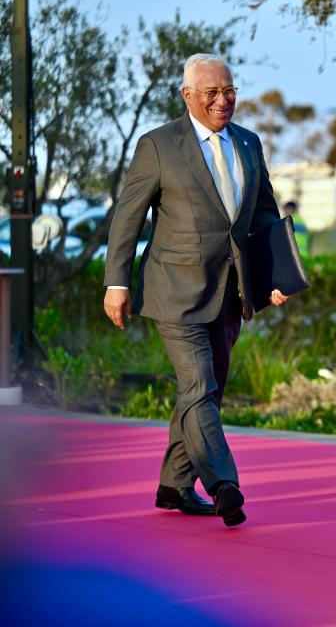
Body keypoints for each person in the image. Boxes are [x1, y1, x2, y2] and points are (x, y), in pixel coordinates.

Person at [103, 54, 290, 528]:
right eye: (211, 92)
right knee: (198, 385)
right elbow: (128, 218)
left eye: (229, 91)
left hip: (229, 291)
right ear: (187, 95)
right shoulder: (159, 145)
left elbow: (264, 214)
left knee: (206, 391)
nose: (222, 101)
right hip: (174, 289)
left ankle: (174, 484)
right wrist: (116, 282)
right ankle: (224, 483)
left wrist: (275, 276)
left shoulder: (248, 143)